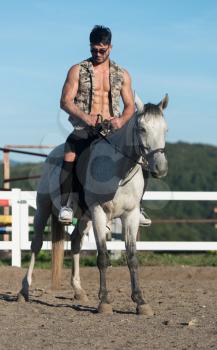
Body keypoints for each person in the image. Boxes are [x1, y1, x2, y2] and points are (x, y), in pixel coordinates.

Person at [58, 25, 151, 226]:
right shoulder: (77, 70)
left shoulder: (122, 74)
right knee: (69, 153)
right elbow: (65, 101)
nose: (98, 54)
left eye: (102, 50)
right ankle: (67, 204)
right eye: (94, 50)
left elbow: (129, 107)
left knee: (143, 157)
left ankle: (139, 205)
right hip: (85, 129)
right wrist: (86, 117)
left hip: (113, 131)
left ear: (110, 47)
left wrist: (120, 120)